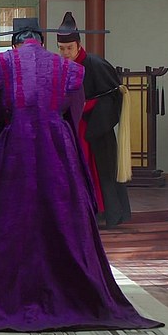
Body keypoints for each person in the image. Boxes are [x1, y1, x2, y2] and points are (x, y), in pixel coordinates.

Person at [0, 18, 161, 332]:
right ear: (41, 40)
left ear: (16, 42)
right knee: (62, 216)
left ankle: (4, 293)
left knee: (10, 217)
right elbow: (73, 108)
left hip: (15, 148)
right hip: (57, 150)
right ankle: (69, 293)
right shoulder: (66, 67)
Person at [55, 12, 131, 228]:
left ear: (78, 45)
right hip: (71, 129)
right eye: (61, 48)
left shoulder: (95, 64)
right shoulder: (59, 67)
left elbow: (113, 96)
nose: (65, 53)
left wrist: (85, 107)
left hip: (94, 129)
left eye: (69, 48)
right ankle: (76, 213)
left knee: (98, 171)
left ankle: (102, 211)